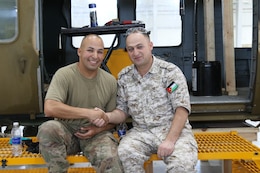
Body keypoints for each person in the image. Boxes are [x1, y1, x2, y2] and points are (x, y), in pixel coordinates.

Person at [93, 27, 198, 173]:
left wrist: (169, 141)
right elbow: (122, 111)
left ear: (150, 46)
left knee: (181, 166)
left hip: (174, 130)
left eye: (140, 47)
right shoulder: (125, 77)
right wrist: (106, 116)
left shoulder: (169, 73)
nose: (135, 53)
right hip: (141, 133)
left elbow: (181, 109)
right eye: (130, 49)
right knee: (124, 155)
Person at [37, 34, 123, 173]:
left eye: (100, 51)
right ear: (79, 51)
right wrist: (88, 113)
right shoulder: (64, 74)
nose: (95, 56)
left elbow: (111, 119)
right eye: (90, 50)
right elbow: (50, 108)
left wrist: (98, 129)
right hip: (67, 132)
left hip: (96, 134)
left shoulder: (110, 81)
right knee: (48, 129)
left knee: (110, 160)